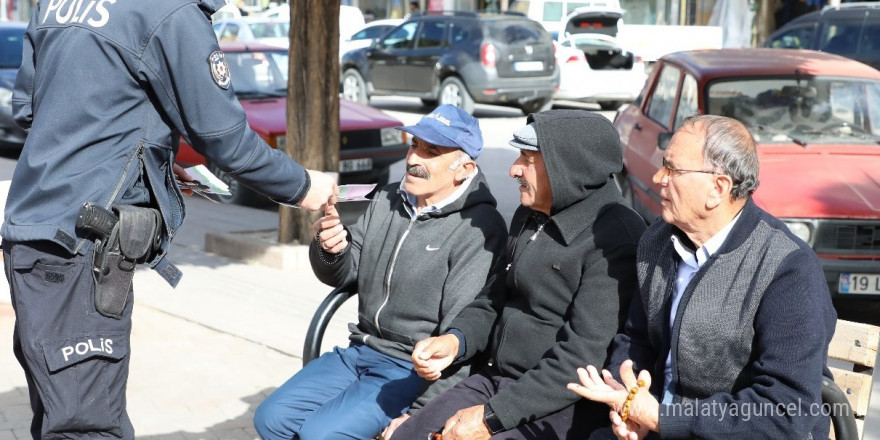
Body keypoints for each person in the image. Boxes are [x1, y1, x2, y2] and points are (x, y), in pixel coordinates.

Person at [3, 0, 337, 438]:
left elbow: (30, 109)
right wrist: (302, 185)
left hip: (30, 234)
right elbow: (225, 140)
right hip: (86, 247)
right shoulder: (173, 11)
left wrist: (145, 160)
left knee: (56, 409)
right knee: (87, 426)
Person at [568, 115, 837, 440]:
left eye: (673, 170)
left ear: (718, 188)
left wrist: (664, 418)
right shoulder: (657, 240)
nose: (658, 177)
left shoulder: (786, 268)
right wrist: (626, 397)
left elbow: (784, 410)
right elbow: (635, 339)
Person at [253, 105, 508, 440]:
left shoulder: (478, 229)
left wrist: (422, 415)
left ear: (464, 169)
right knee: (270, 418)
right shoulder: (387, 199)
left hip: (411, 369)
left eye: (431, 152)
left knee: (320, 434)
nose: (415, 159)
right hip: (360, 349)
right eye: (414, 146)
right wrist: (331, 250)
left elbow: (461, 340)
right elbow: (344, 275)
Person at [390, 110, 648, 440]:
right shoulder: (531, 213)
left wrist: (491, 418)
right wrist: (457, 340)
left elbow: (578, 361)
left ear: (567, 167)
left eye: (528, 158)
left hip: (563, 402)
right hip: (495, 379)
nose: (513, 169)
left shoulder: (615, 237)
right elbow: (495, 295)